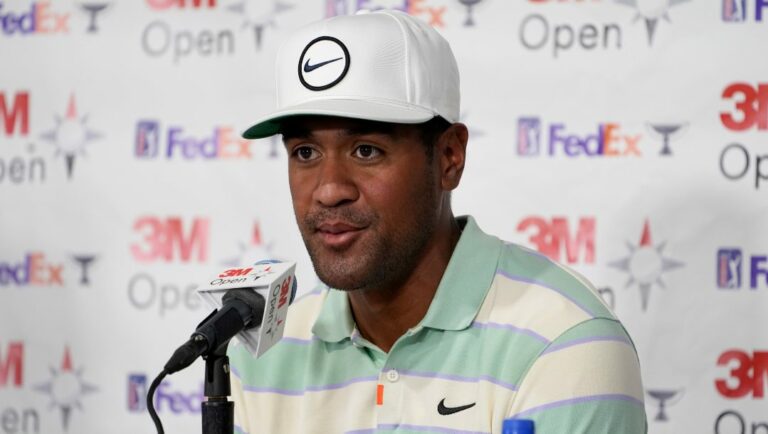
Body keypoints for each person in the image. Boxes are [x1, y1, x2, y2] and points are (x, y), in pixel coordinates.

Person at [229, 9, 647, 434]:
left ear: (450, 157)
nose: (329, 189)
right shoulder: (265, 350)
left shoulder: (563, 340)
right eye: (305, 153)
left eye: (366, 150)